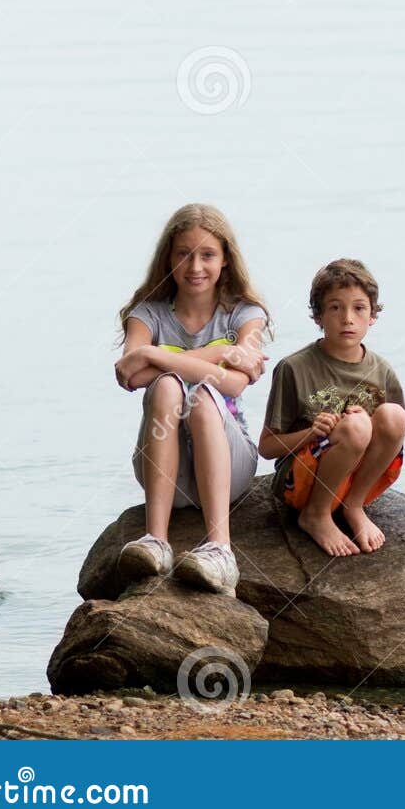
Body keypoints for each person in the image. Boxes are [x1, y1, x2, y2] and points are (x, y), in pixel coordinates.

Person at [112, 203, 271, 595]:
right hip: (167, 472)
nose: (195, 266)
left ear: (225, 262)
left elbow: (233, 386)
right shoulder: (146, 315)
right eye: (184, 253)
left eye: (207, 255)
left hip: (226, 465)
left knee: (201, 398)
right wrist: (219, 355)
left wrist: (156, 356)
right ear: (169, 257)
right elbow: (130, 374)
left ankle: (220, 548)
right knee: (166, 388)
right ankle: (156, 541)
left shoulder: (245, 315)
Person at [260, 258, 405, 557]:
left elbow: (393, 437)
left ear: (373, 316)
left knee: (395, 416)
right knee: (356, 427)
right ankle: (316, 515)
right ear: (318, 316)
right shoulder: (294, 368)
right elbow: (266, 447)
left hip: (355, 481)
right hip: (304, 484)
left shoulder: (382, 371)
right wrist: (311, 433)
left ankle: (354, 505)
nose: (347, 319)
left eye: (358, 308)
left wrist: (367, 423)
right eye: (335, 308)